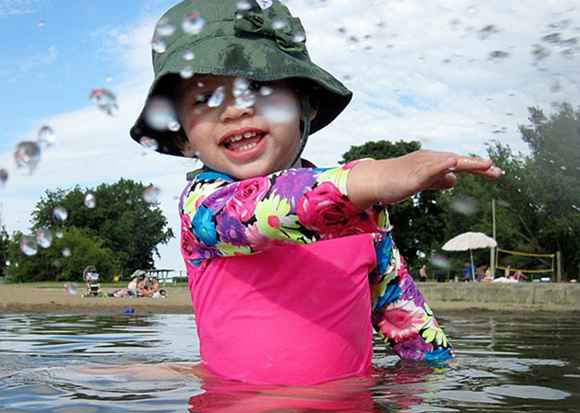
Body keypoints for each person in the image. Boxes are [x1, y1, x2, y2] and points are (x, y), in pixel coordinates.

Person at [130, 0, 502, 385]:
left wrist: (439, 396)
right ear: (183, 137)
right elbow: (265, 210)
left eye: (256, 86)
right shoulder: (204, 206)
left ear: (305, 103)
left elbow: (410, 325)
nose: (233, 111)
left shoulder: (363, 211)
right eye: (205, 98)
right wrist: (373, 176)